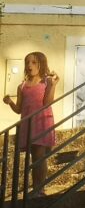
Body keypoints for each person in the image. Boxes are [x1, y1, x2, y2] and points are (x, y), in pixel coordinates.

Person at [3, 52, 58, 196]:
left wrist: (53, 85)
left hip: (42, 122)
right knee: (34, 157)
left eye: (34, 62)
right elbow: (19, 109)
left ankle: (40, 189)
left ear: (41, 64)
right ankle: (36, 188)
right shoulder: (22, 86)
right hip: (28, 124)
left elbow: (47, 103)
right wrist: (10, 103)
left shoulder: (46, 81)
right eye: (27, 62)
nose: (29, 66)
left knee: (40, 156)